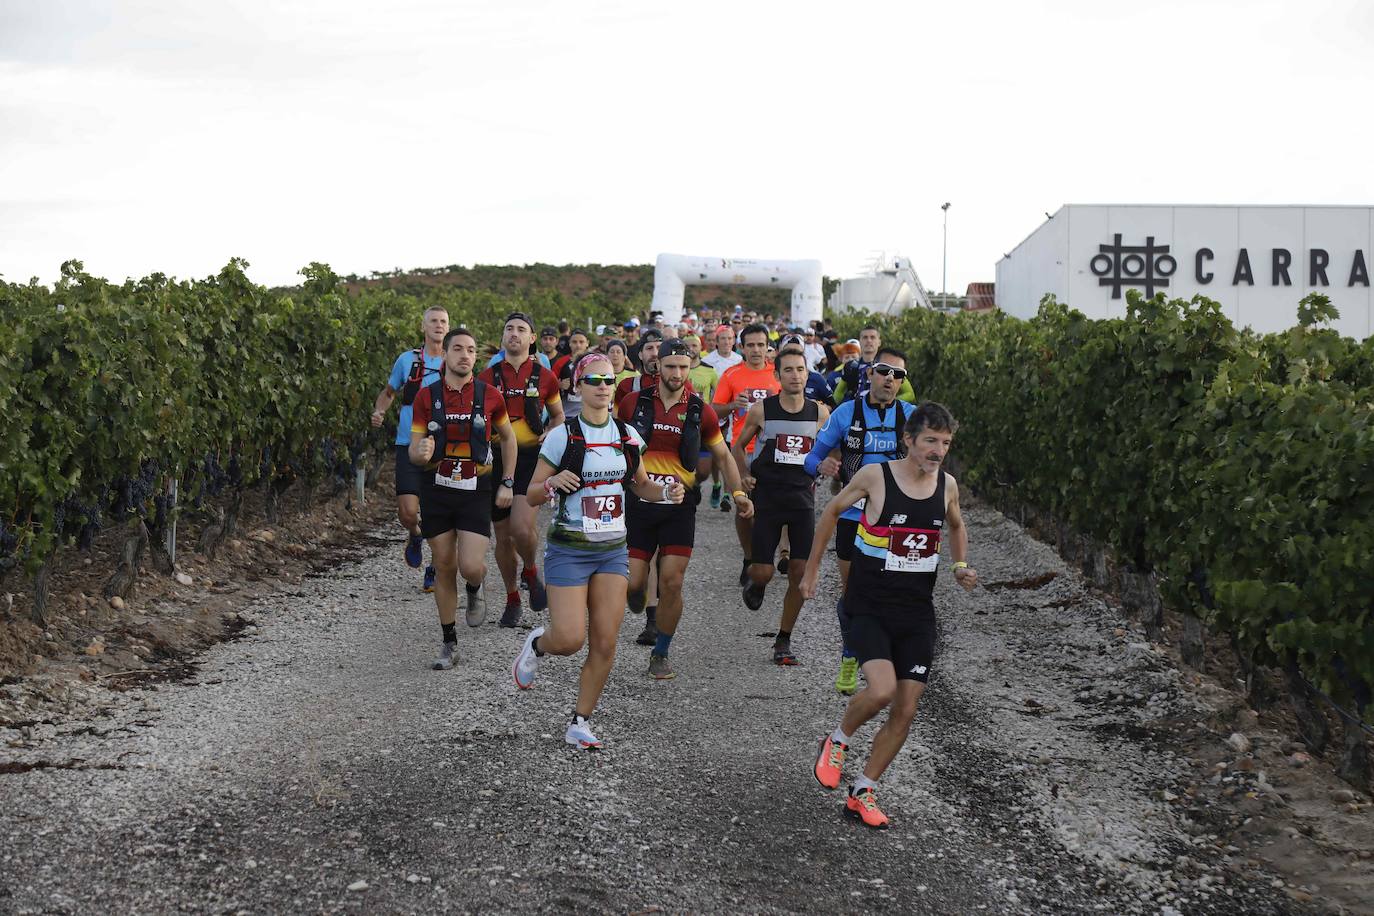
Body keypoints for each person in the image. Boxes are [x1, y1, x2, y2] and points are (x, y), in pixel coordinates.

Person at [802, 402, 976, 828]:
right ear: (908, 440)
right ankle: (838, 740)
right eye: (931, 441)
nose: (938, 451)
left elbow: (955, 524)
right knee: (880, 691)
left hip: (916, 612)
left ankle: (863, 790)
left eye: (946, 443)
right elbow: (831, 511)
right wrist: (811, 570)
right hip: (869, 605)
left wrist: (958, 565)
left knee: (907, 708)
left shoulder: (947, 486)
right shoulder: (874, 477)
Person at [513, 352, 684, 749]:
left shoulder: (627, 436)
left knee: (605, 642)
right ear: (578, 386)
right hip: (570, 549)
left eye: (608, 380)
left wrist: (666, 492)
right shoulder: (562, 436)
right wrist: (554, 481)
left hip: (612, 550)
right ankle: (538, 644)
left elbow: (640, 485)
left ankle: (580, 721)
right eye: (593, 380)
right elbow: (533, 493)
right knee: (570, 639)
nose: (603, 386)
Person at [618, 339, 753, 679]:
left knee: (672, 582)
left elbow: (722, 455)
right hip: (639, 502)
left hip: (680, 506)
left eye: (682, 366)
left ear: (690, 367)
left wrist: (738, 493)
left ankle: (661, 652)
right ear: (657, 367)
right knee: (634, 583)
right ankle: (636, 595)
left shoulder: (699, 409)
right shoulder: (633, 403)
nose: (677, 373)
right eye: (670, 366)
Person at [806, 347, 914, 695]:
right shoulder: (845, 413)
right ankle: (850, 655)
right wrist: (822, 467)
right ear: (869, 373)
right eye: (884, 371)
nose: (890, 379)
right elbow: (811, 458)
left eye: (898, 375)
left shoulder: (911, 416)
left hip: (897, 518)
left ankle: (886, 656)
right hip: (854, 516)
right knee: (855, 592)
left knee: (895, 591)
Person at [409, 328, 518, 669]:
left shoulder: (490, 396)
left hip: (475, 490)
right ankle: (449, 642)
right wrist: (420, 450)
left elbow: (509, 440)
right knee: (444, 565)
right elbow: (414, 452)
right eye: (458, 348)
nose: (465, 355)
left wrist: (508, 483)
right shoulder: (426, 397)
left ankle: (475, 585)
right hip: (436, 489)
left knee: (470, 566)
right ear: (446, 355)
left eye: (471, 350)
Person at [730, 346, 828, 664]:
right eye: (788, 370)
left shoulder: (820, 413)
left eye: (800, 369)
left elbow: (832, 450)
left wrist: (829, 464)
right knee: (764, 572)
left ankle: (783, 641)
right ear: (777, 375)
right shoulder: (763, 410)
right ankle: (755, 582)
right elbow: (737, 447)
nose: (795, 375)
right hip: (768, 498)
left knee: (799, 573)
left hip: (802, 499)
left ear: (807, 373)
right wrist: (743, 476)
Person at [478, 312, 565, 627]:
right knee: (501, 536)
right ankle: (512, 597)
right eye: (508, 329)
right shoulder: (486, 378)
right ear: (503, 337)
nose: (513, 334)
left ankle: (530, 568)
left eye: (521, 330)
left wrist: (552, 432)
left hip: (531, 458)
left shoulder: (545, 377)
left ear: (532, 339)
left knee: (520, 528)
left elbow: (557, 416)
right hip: (495, 458)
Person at [371, 305, 448, 593]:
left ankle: (435, 569)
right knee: (407, 513)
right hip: (408, 443)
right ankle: (415, 536)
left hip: (443, 448)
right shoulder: (407, 361)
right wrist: (379, 411)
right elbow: (389, 392)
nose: (438, 326)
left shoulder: (453, 361)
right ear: (423, 326)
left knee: (438, 514)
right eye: (433, 321)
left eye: (443, 322)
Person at [712, 323, 780, 584]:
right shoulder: (731, 375)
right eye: (750, 345)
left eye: (760, 345)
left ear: (767, 347)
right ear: (741, 347)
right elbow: (714, 411)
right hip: (741, 451)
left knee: (770, 510)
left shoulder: (778, 374)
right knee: (743, 508)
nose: (756, 350)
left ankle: (765, 557)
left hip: (774, 452)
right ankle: (749, 558)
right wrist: (732, 405)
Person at [833, 325, 915, 403]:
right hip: (856, 412)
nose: (869, 340)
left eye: (872, 337)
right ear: (860, 341)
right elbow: (838, 394)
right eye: (865, 337)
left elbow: (909, 394)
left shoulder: (889, 365)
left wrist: (889, 403)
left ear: (879, 342)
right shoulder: (851, 366)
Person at [614, 328, 663, 407]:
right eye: (649, 348)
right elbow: (616, 418)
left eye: (659, 348)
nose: (655, 353)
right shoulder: (626, 386)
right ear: (640, 354)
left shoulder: (681, 385)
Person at [555, 329, 589, 418]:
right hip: (567, 412)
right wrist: (559, 385)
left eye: (581, 342)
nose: (578, 345)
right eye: (574, 342)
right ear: (569, 343)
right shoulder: (561, 362)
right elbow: (549, 384)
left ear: (587, 343)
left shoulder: (595, 360)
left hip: (589, 412)